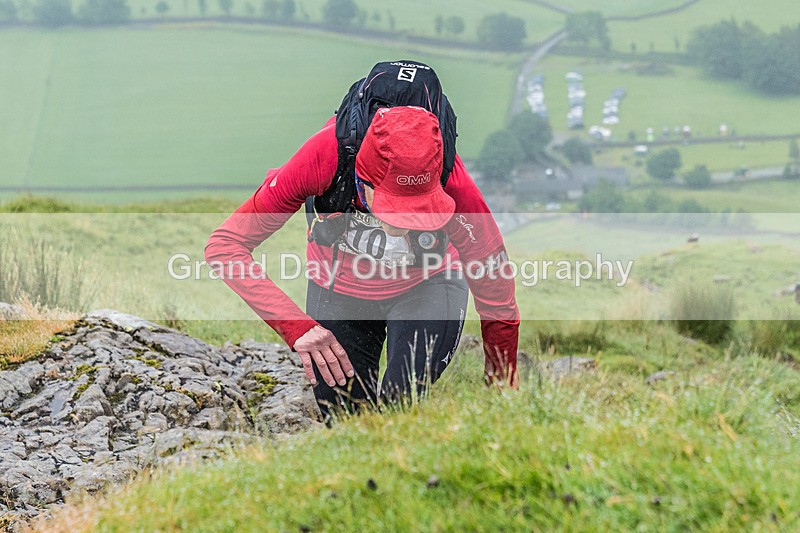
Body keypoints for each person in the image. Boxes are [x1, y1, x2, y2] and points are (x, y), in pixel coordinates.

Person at [205, 76, 519, 422]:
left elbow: (497, 290)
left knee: (402, 403)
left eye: (419, 210)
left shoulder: (452, 180)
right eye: (392, 208)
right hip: (340, 288)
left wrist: (500, 390)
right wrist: (297, 327)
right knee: (345, 421)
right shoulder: (323, 157)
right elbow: (226, 245)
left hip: (428, 286)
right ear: (363, 177)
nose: (403, 225)